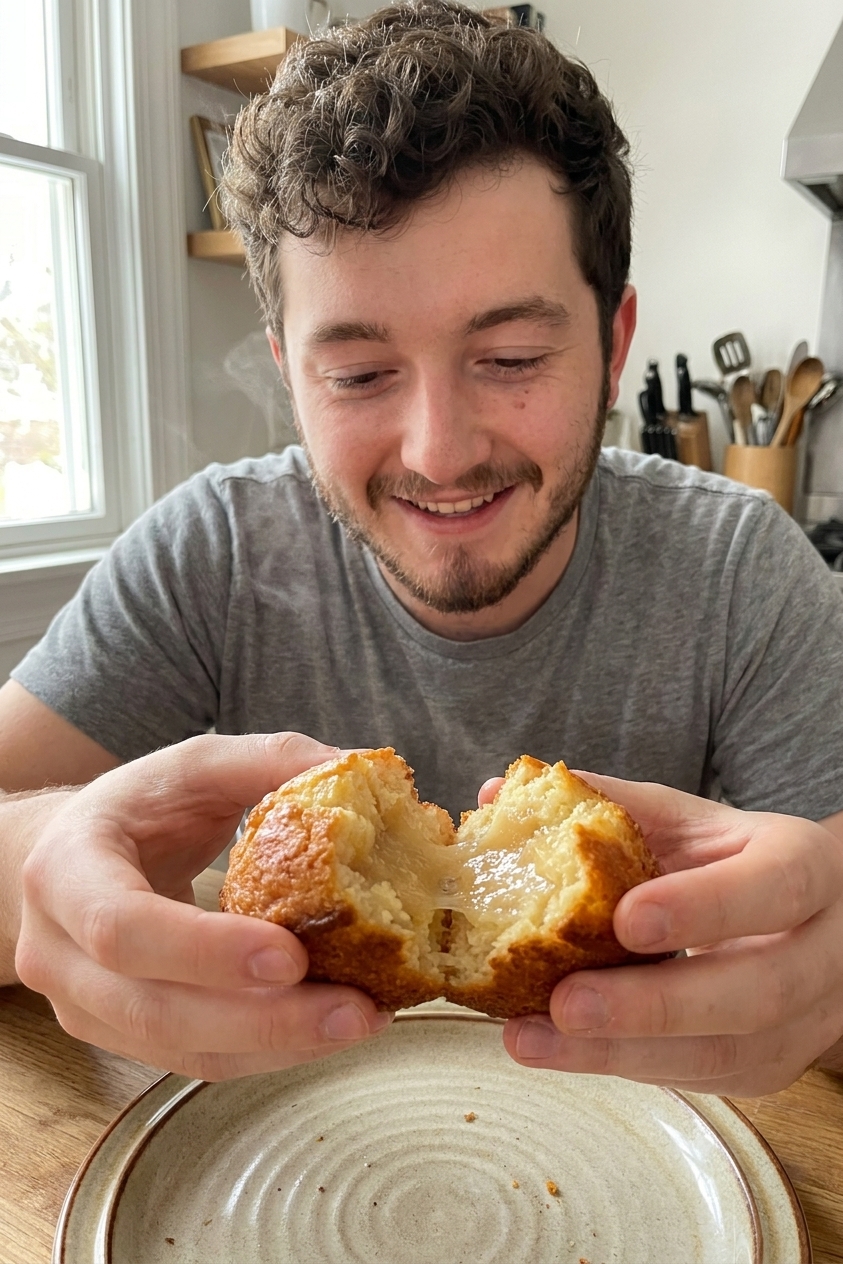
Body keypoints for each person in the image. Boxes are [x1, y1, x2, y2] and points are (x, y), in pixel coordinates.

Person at [2, 0, 843, 1094]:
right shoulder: (206, 549)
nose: (439, 452)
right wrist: (32, 864)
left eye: (510, 356)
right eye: (357, 374)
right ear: (288, 370)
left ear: (614, 341)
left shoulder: (745, 573)